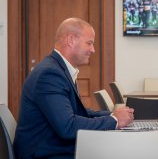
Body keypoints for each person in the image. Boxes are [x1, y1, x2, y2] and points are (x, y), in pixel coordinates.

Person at [13, 18, 134, 159]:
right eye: (89, 43)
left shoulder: (59, 69)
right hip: (44, 154)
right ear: (71, 40)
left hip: (53, 149)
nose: (93, 50)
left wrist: (111, 115)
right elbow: (68, 126)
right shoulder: (49, 74)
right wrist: (114, 121)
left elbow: (76, 113)